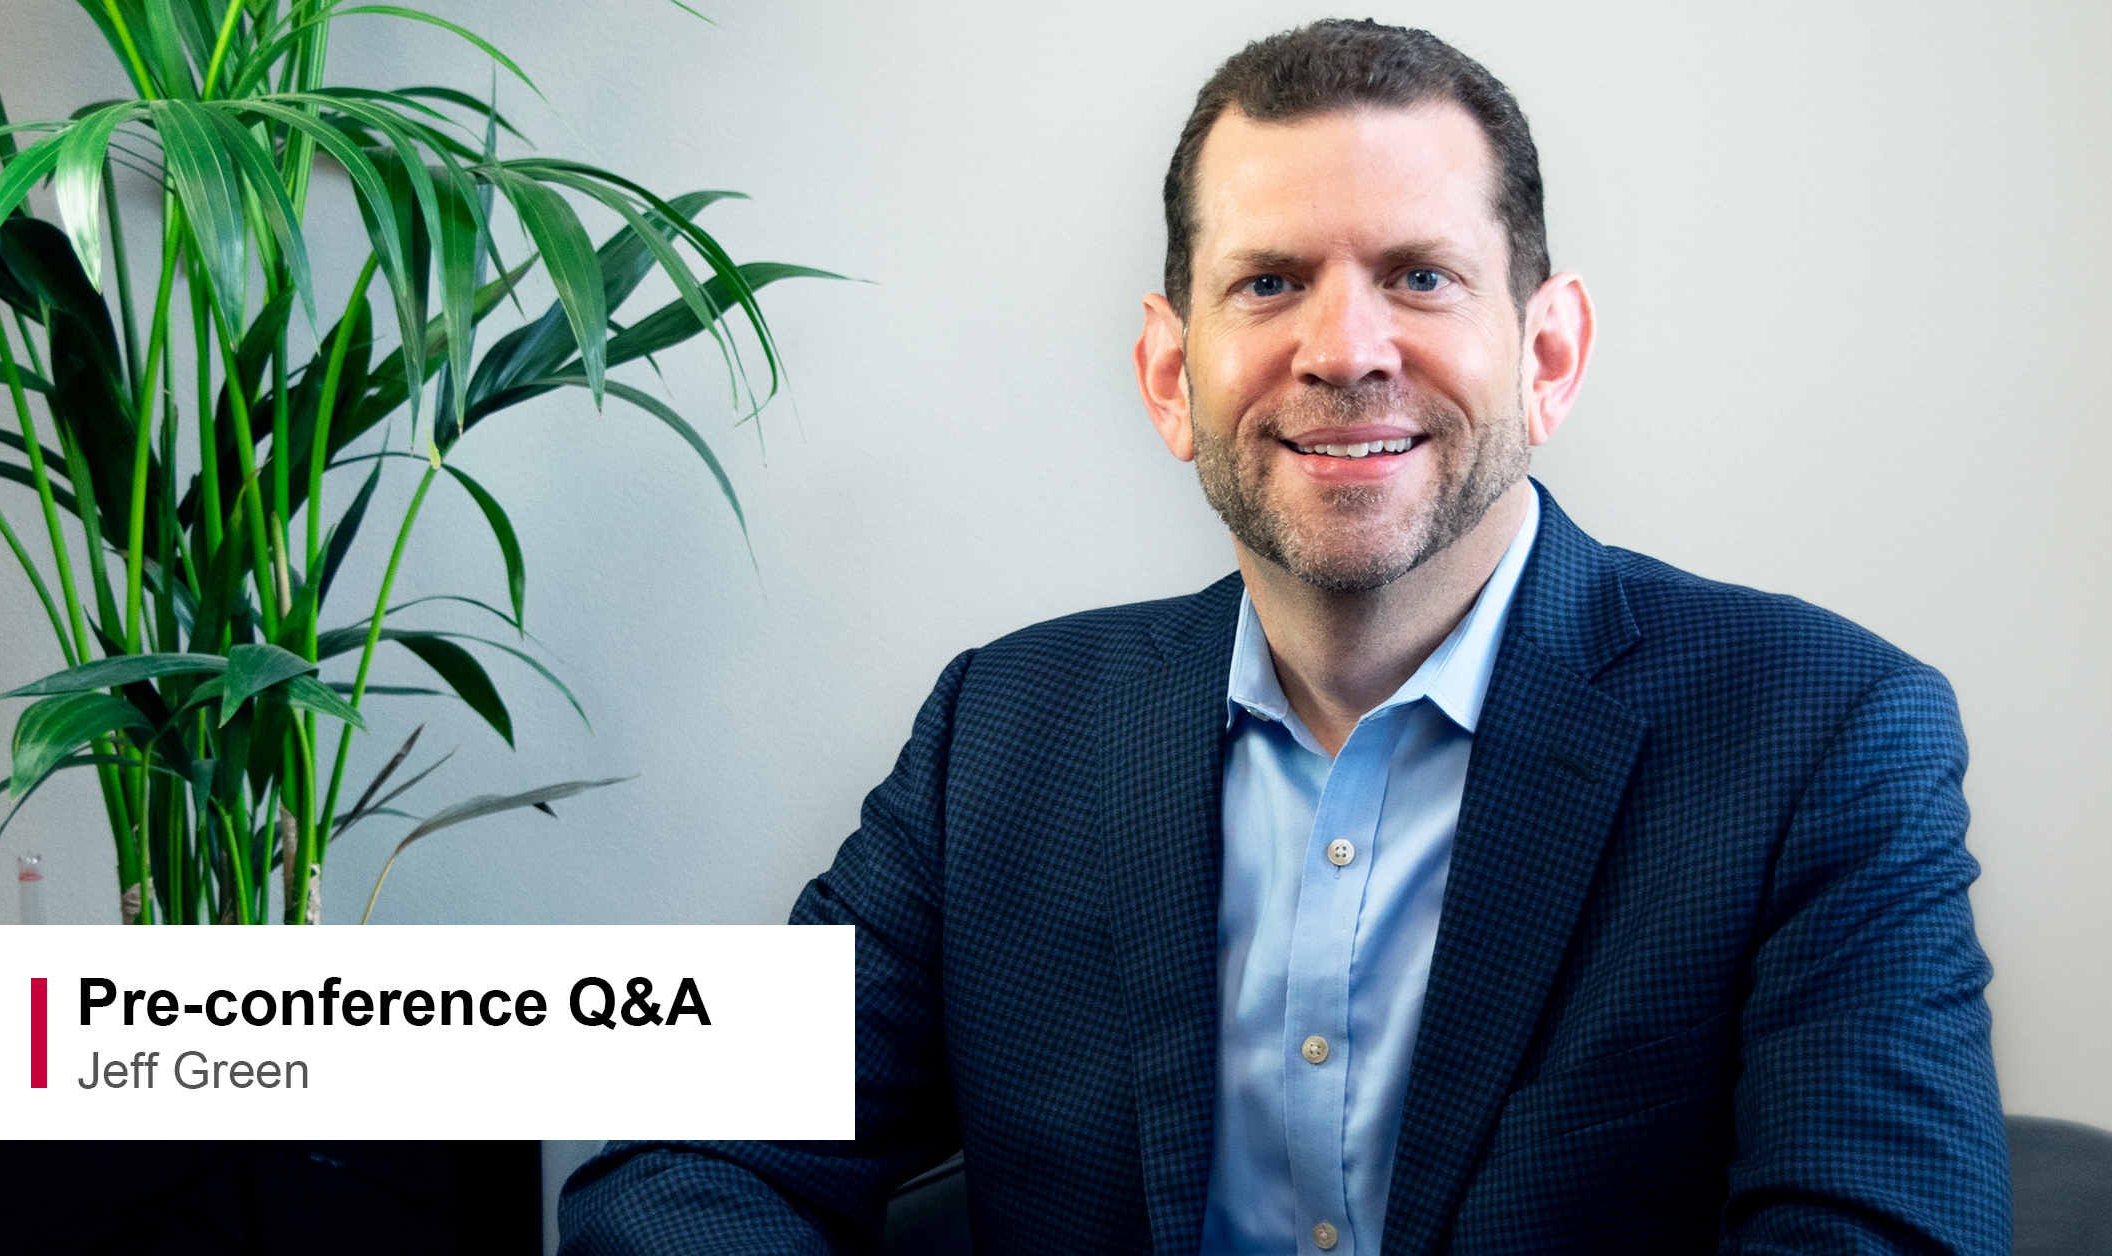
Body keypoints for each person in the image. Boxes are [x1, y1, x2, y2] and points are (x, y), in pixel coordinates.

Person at [561, 19, 2009, 1255]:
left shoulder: (1818, 734)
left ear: (1548, 353)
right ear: (1169, 371)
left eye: (1421, 276)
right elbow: (685, 1157)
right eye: (1269, 283)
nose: (1344, 349)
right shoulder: (1000, 732)